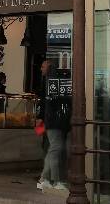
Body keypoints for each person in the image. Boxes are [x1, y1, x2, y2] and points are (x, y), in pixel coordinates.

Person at [36, 60, 71, 192]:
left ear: (49, 68)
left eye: (43, 66)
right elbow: (50, 103)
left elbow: (46, 103)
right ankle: (52, 180)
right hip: (54, 122)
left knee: (53, 149)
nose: (41, 69)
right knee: (55, 149)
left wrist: (41, 119)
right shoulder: (51, 82)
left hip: (52, 121)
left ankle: (45, 179)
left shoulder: (49, 82)